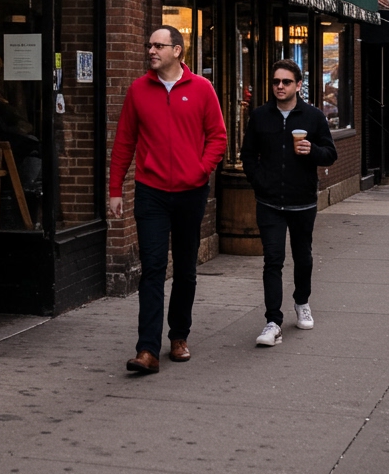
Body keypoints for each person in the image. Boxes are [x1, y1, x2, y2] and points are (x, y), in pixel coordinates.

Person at [109, 26, 227, 374]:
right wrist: (116, 189)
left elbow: (217, 137)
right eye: (149, 45)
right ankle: (147, 349)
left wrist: (201, 170)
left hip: (191, 192)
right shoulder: (138, 90)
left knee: (186, 268)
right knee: (153, 268)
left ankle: (178, 336)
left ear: (177, 50)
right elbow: (124, 142)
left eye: (158, 45)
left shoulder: (202, 89)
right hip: (151, 192)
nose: (151, 50)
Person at [239, 60, 337, 348]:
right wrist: (259, 181)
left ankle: (302, 301)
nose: (279, 86)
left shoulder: (313, 116)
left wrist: (313, 150)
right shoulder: (259, 116)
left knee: (303, 256)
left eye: (285, 82)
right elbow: (247, 155)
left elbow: (330, 154)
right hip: (269, 202)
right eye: (275, 82)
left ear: (298, 85)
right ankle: (273, 321)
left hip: (302, 201)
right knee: (273, 260)